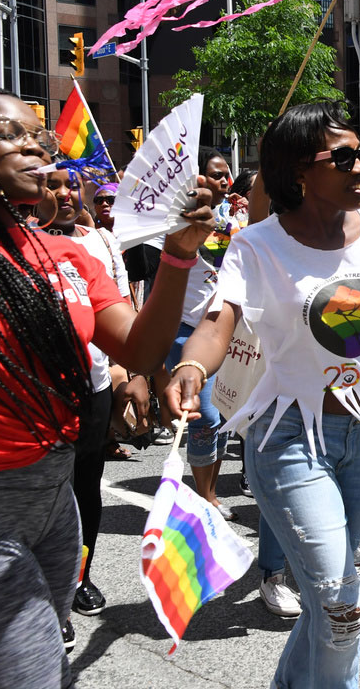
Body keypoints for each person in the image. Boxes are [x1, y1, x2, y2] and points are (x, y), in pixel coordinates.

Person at [165, 94, 360, 689]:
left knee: (339, 600)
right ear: (299, 170)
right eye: (346, 156)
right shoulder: (259, 244)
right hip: (289, 441)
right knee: (338, 604)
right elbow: (217, 321)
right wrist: (193, 369)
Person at [0, 87, 210, 686]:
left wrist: (176, 256)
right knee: (30, 672)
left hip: (55, 500)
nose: (34, 146)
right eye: (8, 133)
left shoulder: (69, 254)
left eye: (37, 136)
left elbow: (141, 350)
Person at [37, 167, 146, 622]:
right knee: (43, 496)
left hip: (95, 388)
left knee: (86, 491)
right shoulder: (4, 245)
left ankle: (78, 578)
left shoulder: (100, 243)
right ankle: (44, 597)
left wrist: (132, 374)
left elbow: (124, 316)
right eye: (51, 183)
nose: (64, 193)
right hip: (34, 403)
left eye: (70, 184)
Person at [162, 152, 243, 520]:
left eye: (228, 174)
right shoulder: (177, 221)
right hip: (184, 329)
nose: (224, 180)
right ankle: (203, 495)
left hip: (225, 328)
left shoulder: (236, 220)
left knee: (225, 414)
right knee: (205, 416)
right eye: (215, 175)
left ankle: (209, 490)